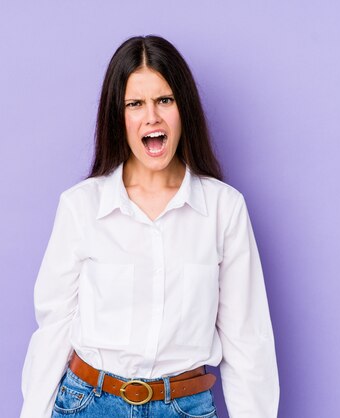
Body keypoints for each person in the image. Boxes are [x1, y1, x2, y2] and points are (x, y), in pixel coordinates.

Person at [20, 35, 279, 418]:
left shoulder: (225, 209)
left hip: (184, 407)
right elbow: (53, 329)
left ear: (183, 110)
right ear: (118, 116)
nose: (151, 117)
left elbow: (247, 342)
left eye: (165, 100)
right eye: (135, 104)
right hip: (87, 405)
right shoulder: (81, 207)